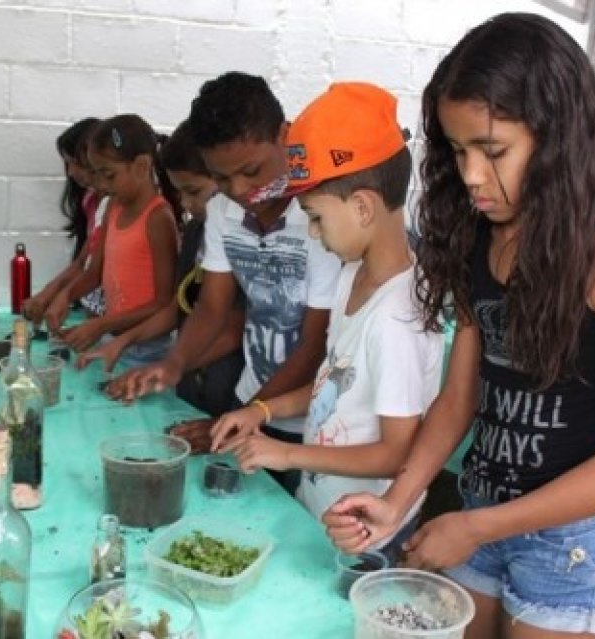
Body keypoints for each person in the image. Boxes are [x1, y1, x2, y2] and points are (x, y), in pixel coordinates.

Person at [323, 13, 595, 639]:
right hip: (484, 507)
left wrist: (476, 526)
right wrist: (396, 502)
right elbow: (458, 401)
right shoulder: (480, 238)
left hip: (571, 546)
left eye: (493, 151)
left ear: (559, 137)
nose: (470, 176)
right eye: (458, 151)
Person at [208, 83, 444, 561]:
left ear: (362, 207)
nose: (312, 233)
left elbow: (397, 452)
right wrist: (263, 413)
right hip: (324, 507)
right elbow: (328, 382)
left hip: (367, 529)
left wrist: (286, 454)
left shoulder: (397, 318)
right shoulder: (351, 277)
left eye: (316, 217)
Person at [107, 72, 342, 494]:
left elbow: (314, 343)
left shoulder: (320, 218)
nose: (239, 190)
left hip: (313, 422)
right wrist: (174, 363)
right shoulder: (222, 214)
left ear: (284, 137)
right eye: (222, 177)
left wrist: (248, 416)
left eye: (251, 171)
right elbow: (213, 308)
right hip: (249, 399)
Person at [78, 120, 246, 418]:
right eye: (181, 193)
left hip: (225, 386)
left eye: (194, 192)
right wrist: (122, 341)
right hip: (191, 382)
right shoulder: (197, 232)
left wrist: (169, 366)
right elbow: (175, 307)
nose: (186, 204)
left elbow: (232, 329)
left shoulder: (239, 239)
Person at [44, 115, 182, 362]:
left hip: (148, 348)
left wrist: (102, 324)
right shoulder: (112, 207)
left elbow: (163, 303)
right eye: (97, 174)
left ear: (141, 166)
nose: (101, 185)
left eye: (109, 175)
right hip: (112, 339)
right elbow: (93, 273)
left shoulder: (158, 218)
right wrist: (64, 297)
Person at [22, 118, 106, 322]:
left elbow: (94, 269)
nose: (70, 172)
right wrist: (46, 295)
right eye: (67, 164)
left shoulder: (119, 207)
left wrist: (62, 296)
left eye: (74, 162)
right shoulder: (92, 201)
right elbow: (82, 262)